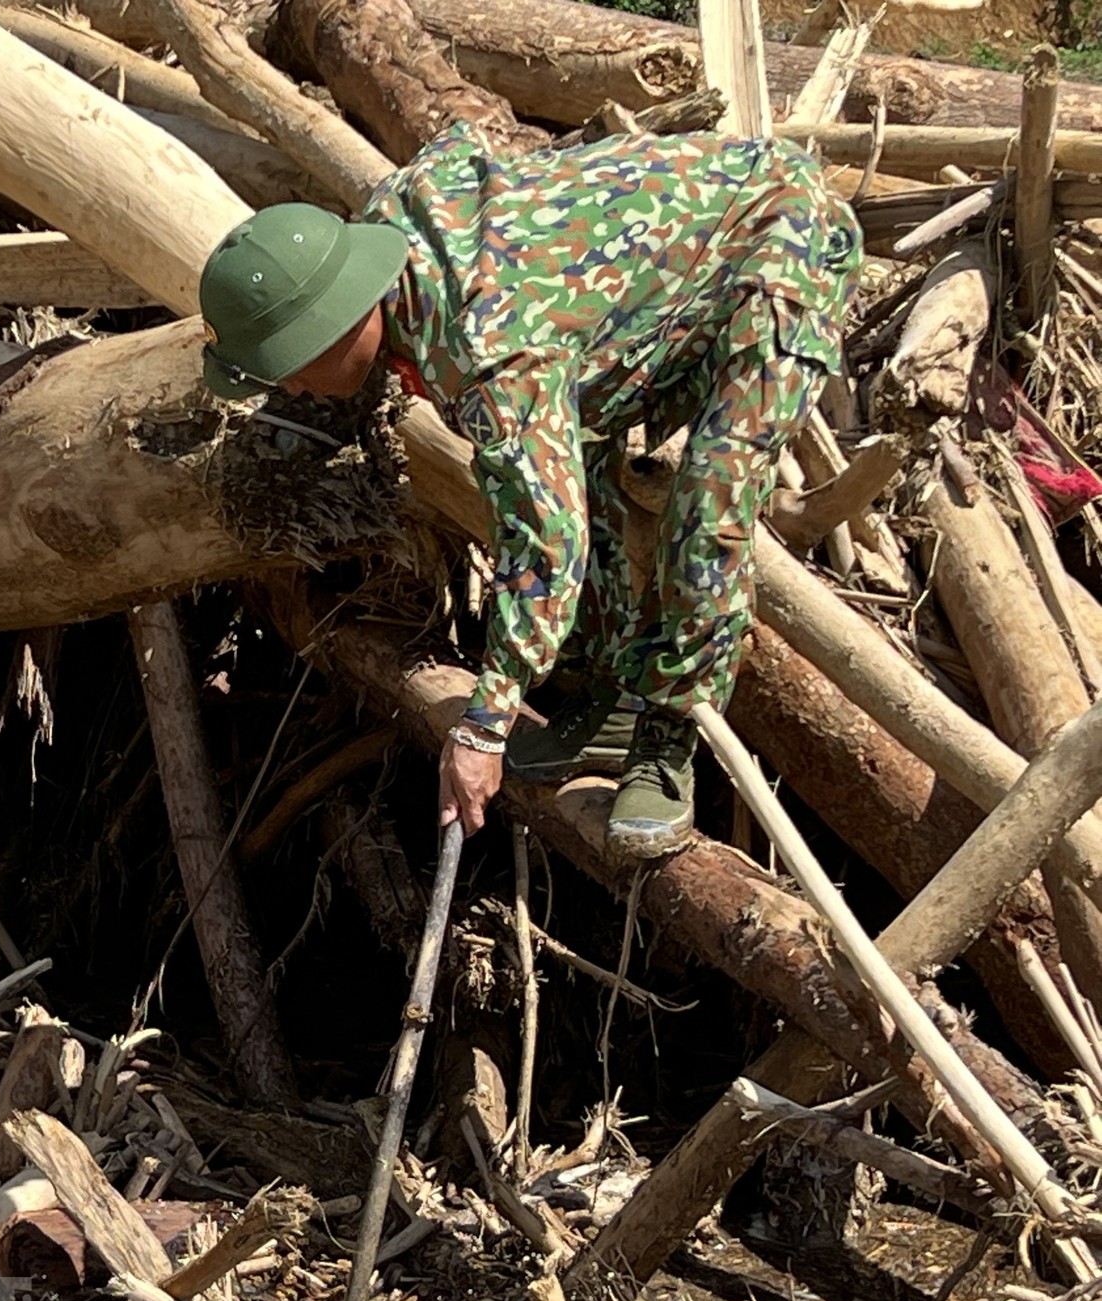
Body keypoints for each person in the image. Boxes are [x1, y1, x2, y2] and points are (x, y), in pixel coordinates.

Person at [197, 124, 860, 858]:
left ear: (343, 314)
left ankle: (667, 739)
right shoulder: (393, 236)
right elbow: (460, 148)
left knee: (709, 504)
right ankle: (605, 700)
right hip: (670, 258)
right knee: (573, 457)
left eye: (291, 360)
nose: (289, 385)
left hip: (780, 239)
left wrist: (484, 724)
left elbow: (547, 539)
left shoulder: (489, 348)